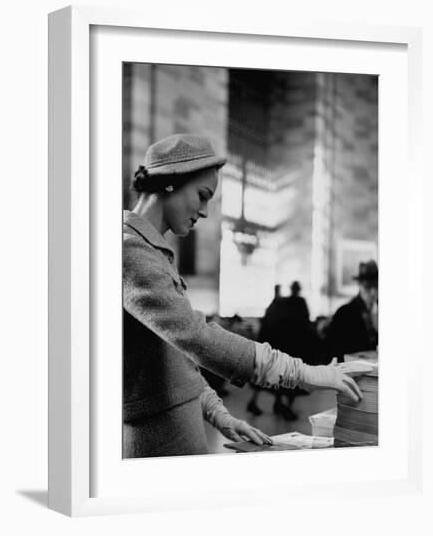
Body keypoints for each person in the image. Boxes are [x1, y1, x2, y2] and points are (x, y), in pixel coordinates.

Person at [123, 133, 367, 458]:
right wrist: (303, 372)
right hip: (156, 442)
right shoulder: (130, 251)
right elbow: (197, 338)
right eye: (202, 195)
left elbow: (175, 356)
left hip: (180, 428)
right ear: (171, 182)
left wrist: (219, 415)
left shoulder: (151, 250)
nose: (206, 211)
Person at [246, 281, 326, 420]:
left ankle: (275, 403)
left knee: (277, 375)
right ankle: (283, 406)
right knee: (287, 376)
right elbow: (301, 323)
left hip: (282, 345)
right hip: (289, 346)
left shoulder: (282, 303)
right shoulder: (292, 303)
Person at [326, 260, 379, 362]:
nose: (373, 292)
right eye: (368, 287)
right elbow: (334, 352)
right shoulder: (344, 313)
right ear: (360, 285)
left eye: (376, 287)